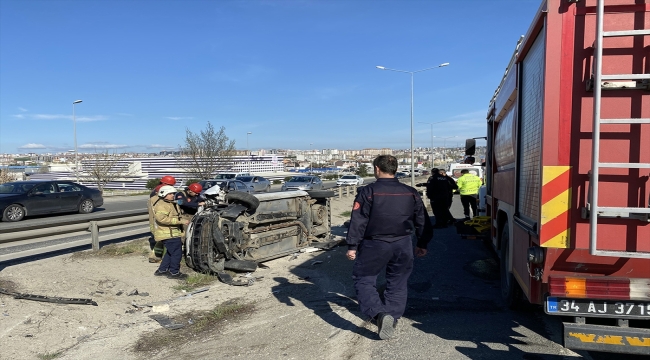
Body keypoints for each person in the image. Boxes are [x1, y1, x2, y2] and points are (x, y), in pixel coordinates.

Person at [346, 155, 433, 340]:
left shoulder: (368, 191)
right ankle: (392, 318)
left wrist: (352, 246)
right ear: (394, 169)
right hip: (403, 243)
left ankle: (378, 315)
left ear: (377, 168)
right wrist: (423, 243)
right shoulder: (410, 192)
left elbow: (358, 220)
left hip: (374, 243)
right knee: (398, 282)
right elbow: (422, 220)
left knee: (364, 278)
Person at [152, 185, 189, 279]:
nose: (173, 195)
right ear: (164, 194)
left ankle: (162, 270)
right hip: (168, 234)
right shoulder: (162, 205)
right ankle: (174, 272)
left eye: (173, 193)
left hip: (172, 233)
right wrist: (180, 221)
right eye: (171, 194)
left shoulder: (169, 203)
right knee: (177, 253)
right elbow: (162, 219)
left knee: (170, 252)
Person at [147, 176, 177, 262]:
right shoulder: (163, 191)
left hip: (154, 219)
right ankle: (163, 258)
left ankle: (156, 255)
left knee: (160, 237)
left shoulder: (155, 190)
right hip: (160, 217)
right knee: (165, 237)